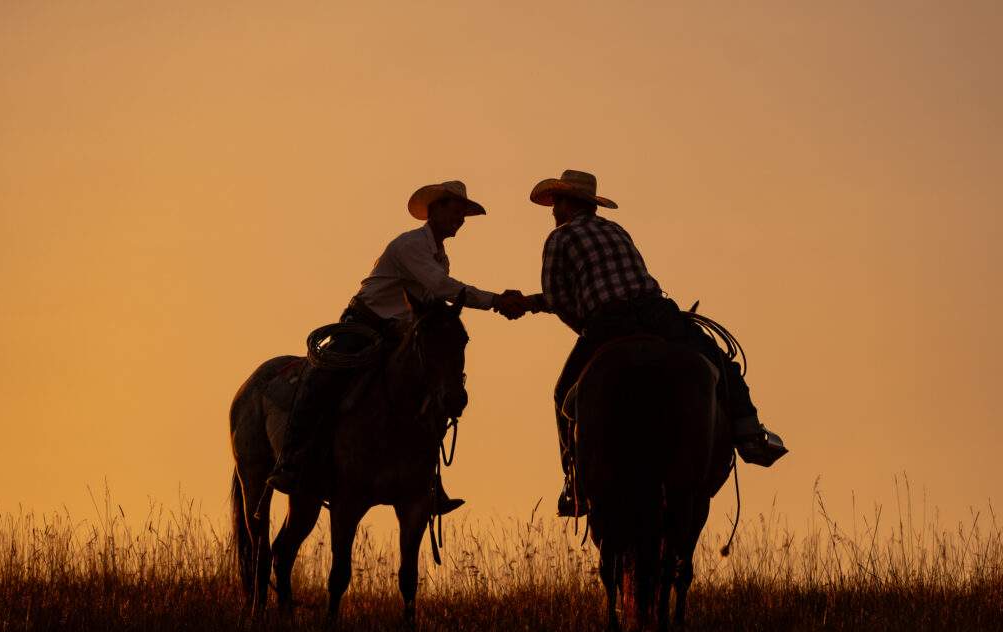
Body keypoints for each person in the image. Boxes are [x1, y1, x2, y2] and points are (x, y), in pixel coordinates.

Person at [509, 170, 787, 516]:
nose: (553, 211)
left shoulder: (559, 238)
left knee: (563, 393)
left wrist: (578, 323)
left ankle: (574, 477)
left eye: (556, 203)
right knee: (719, 361)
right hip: (658, 312)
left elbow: (558, 297)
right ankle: (749, 434)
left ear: (568, 203)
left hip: (608, 322)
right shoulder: (616, 229)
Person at [267, 180, 526, 514]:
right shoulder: (411, 246)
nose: (461, 218)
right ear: (434, 209)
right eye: (456, 210)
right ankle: (292, 460)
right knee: (321, 380)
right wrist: (496, 301)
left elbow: (432, 299)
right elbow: (441, 288)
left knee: (431, 390)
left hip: (397, 331)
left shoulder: (437, 255)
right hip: (362, 324)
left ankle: (428, 480)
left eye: (464, 213)